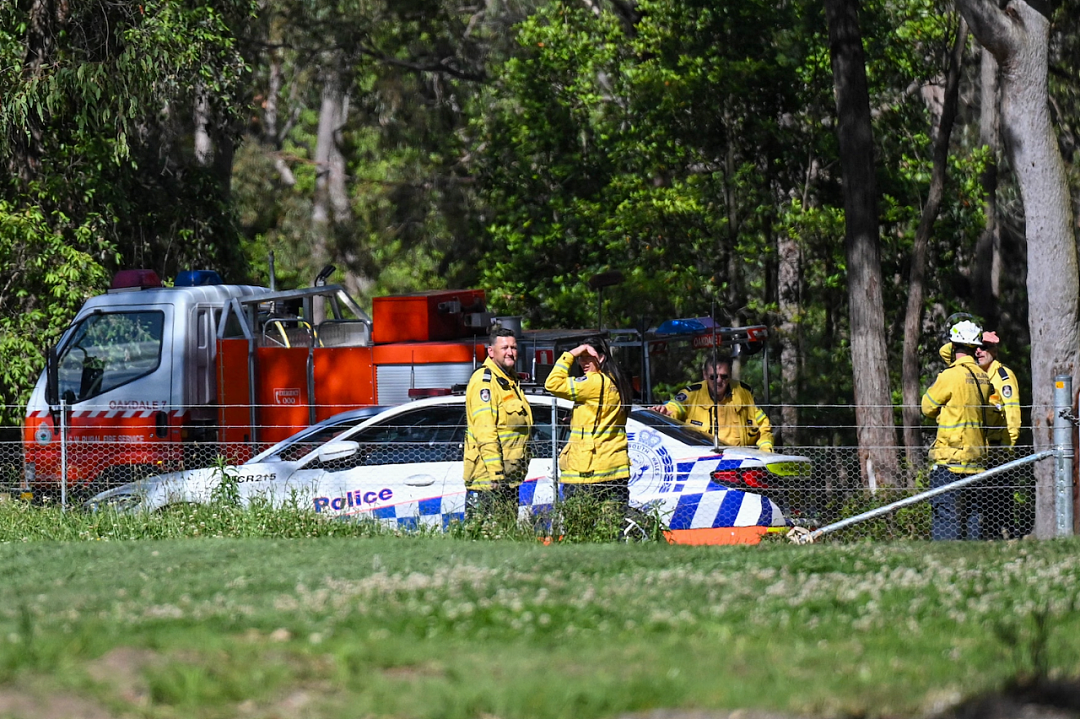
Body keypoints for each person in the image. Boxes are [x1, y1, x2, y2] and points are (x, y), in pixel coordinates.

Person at [922, 319, 1004, 540]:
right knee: (972, 520)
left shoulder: (950, 376)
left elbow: (927, 407)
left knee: (946, 521)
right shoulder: (983, 377)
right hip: (976, 463)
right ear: (974, 347)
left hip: (951, 461)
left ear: (953, 344)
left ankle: (945, 568)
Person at [543, 336, 633, 509]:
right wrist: (577, 418)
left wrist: (571, 353)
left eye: (587, 356)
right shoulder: (616, 379)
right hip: (614, 466)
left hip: (589, 469)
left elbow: (552, 384)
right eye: (580, 357)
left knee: (580, 529)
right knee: (613, 527)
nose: (582, 361)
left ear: (601, 357)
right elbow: (603, 415)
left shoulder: (593, 381)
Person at [463, 326, 534, 520]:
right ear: (491, 352)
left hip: (508, 480)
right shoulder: (485, 382)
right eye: (504, 348)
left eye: (513, 347)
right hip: (489, 482)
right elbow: (485, 430)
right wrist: (495, 473)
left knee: (504, 542)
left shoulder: (509, 380)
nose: (510, 352)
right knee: (482, 542)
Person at [651, 356, 774, 451]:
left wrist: (766, 450)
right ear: (705, 375)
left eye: (724, 376)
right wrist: (664, 412)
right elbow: (674, 408)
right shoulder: (692, 394)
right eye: (713, 376)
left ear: (730, 375)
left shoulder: (744, 393)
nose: (719, 381)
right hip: (703, 461)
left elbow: (764, 427)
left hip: (741, 460)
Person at [975, 330, 1022, 537]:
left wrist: (1007, 449)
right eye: (975, 347)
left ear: (994, 350)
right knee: (982, 500)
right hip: (978, 450)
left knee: (999, 500)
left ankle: (1005, 537)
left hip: (998, 450)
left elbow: (1012, 414)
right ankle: (989, 537)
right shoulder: (974, 375)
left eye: (984, 348)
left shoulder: (1003, 377)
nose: (979, 352)